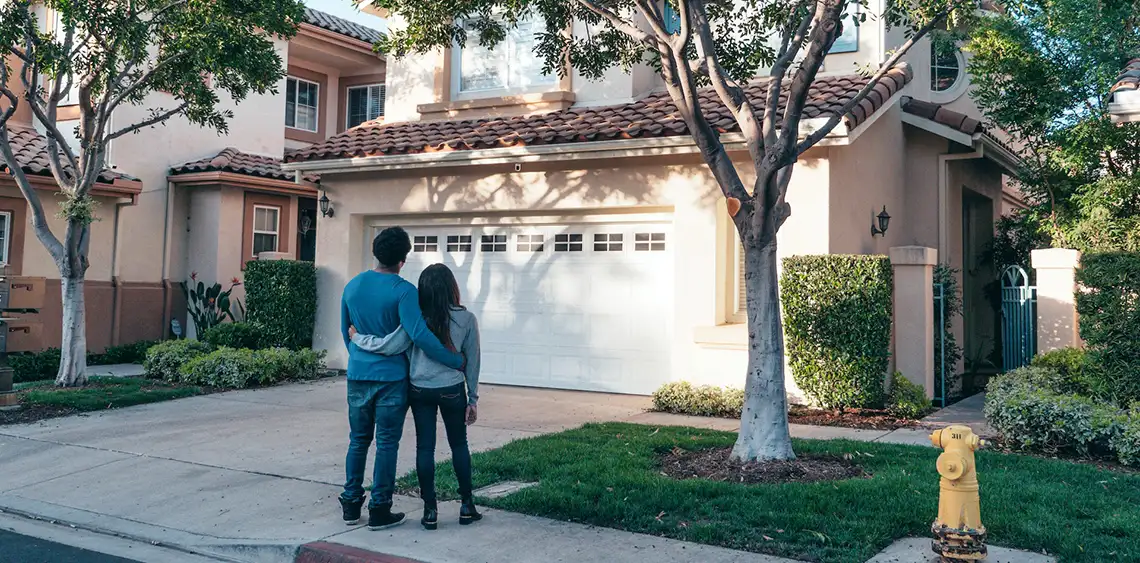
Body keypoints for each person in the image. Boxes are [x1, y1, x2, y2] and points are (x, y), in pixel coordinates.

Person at [339, 227, 465, 531]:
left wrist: (360, 361)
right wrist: (454, 360)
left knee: (358, 441)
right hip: (392, 380)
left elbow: (347, 333)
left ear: (376, 252)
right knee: (386, 444)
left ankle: (351, 504)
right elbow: (419, 335)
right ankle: (380, 509)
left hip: (358, 376)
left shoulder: (352, 286)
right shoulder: (404, 291)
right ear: (403, 259)